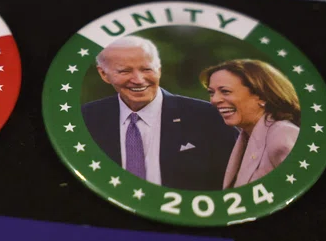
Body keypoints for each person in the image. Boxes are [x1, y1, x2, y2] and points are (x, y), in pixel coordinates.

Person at [81, 35, 236, 190]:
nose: (138, 79)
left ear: (159, 70)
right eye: (125, 71)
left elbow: (236, 181)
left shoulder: (207, 117)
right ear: (103, 74)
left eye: (146, 69)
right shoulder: (86, 118)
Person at [201, 59, 300, 188]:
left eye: (225, 91)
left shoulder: (282, 134)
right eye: (211, 92)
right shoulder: (246, 135)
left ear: (262, 96)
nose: (214, 100)